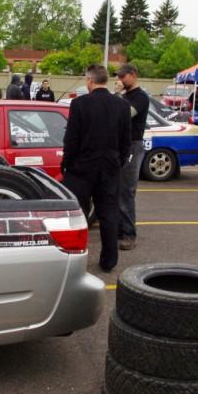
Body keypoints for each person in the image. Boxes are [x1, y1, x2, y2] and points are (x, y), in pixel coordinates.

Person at [62, 64, 131, 273]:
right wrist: (117, 164)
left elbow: (71, 139)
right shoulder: (122, 106)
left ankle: (76, 258)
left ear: (89, 81)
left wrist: (67, 163)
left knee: (78, 215)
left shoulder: (79, 104)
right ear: (106, 81)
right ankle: (109, 260)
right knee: (108, 214)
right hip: (109, 168)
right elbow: (125, 142)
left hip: (81, 169)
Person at [114, 63, 150, 250]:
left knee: (126, 190)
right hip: (120, 146)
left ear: (133, 75)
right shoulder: (126, 96)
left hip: (132, 147)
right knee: (117, 189)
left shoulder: (140, 97)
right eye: (118, 77)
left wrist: (118, 95)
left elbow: (124, 114)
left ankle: (129, 234)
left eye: (123, 77)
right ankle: (119, 229)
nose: (120, 80)